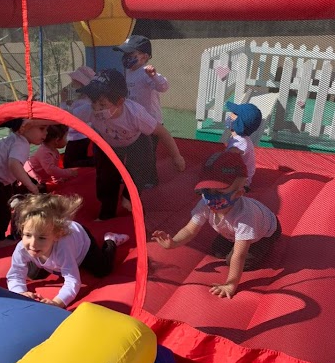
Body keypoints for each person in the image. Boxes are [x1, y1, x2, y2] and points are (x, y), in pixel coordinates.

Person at [152, 152, 281, 299]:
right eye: (207, 190)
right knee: (218, 251)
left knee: (234, 260)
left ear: (238, 193)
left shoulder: (245, 217)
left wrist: (230, 284)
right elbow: (189, 229)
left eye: (219, 192)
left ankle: (267, 246)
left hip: (265, 234)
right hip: (232, 233)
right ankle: (233, 239)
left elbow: (239, 255)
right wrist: (174, 242)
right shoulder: (205, 204)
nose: (211, 197)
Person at [73, 69, 185, 220]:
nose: (97, 109)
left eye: (102, 104)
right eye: (93, 102)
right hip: (108, 143)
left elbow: (161, 132)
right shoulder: (89, 111)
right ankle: (107, 211)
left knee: (140, 170)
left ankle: (129, 198)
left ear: (119, 102)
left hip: (136, 141)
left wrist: (176, 156)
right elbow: (64, 117)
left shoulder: (135, 114)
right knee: (106, 177)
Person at [6, 193, 129, 307]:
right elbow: (15, 274)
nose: (33, 244)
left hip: (82, 246)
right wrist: (20, 293)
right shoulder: (22, 248)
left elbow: (72, 281)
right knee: (33, 275)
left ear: (56, 236)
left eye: (42, 238)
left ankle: (111, 240)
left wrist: (57, 302)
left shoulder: (63, 248)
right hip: (51, 253)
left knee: (103, 269)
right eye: (28, 235)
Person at [0, 118, 52, 243]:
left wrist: (30, 181)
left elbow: (16, 166)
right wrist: (31, 186)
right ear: (23, 128)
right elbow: (14, 164)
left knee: (3, 206)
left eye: (47, 129)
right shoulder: (21, 144)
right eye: (42, 129)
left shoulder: (16, 139)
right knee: (3, 212)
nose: (46, 133)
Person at [114, 35, 169, 187]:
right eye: (125, 54)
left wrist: (154, 76)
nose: (126, 57)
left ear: (144, 57)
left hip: (151, 122)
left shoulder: (146, 73)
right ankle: (130, 176)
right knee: (132, 150)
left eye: (130, 54)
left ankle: (151, 180)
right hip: (134, 121)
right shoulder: (127, 72)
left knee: (147, 153)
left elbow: (163, 87)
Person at [60, 65, 96, 168]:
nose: (71, 85)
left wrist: (63, 101)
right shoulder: (82, 101)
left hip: (79, 139)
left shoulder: (86, 104)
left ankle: (95, 162)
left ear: (82, 86)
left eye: (74, 82)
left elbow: (67, 118)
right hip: (76, 138)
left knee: (70, 164)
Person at [225, 101, 262, 190]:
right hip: (238, 177)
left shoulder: (239, 142)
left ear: (239, 123)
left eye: (234, 114)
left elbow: (228, 159)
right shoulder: (238, 138)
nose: (230, 115)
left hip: (239, 182)